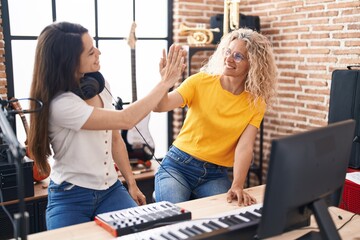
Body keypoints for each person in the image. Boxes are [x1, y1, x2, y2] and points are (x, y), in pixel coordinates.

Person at [27, 21, 185, 230]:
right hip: (70, 197)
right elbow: (126, 119)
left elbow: (115, 139)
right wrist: (165, 82)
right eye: (91, 52)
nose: (99, 52)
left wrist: (131, 182)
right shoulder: (60, 105)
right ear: (70, 62)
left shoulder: (100, 87)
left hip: (111, 190)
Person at [154, 28, 277, 206]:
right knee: (174, 219)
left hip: (215, 174)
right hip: (177, 166)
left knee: (225, 218)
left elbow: (245, 147)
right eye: (228, 52)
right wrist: (164, 82)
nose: (228, 59)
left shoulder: (256, 103)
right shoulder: (199, 82)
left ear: (253, 63)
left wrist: (237, 184)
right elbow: (160, 106)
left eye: (238, 56)